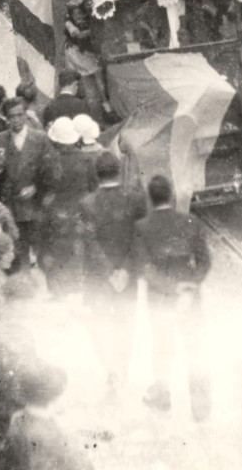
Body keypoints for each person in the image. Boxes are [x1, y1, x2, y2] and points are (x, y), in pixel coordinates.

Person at [134, 174, 212, 420]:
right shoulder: (192, 222)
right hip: (191, 299)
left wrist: (171, 288)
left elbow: (145, 269)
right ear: (172, 195)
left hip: (161, 299)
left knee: (162, 348)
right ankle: (200, 408)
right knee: (196, 350)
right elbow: (205, 262)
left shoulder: (142, 228)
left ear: (150, 198)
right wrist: (190, 285)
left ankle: (162, 396)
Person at [81, 152, 143, 392]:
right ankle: (124, 371)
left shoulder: (87, 204)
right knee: (125, 323)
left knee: (98, 324)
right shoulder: (136, 200)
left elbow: (90, 241)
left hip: (99, 278)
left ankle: (111, 372)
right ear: (119, 172)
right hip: (128, 277)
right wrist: (124, 269)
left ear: (97, 175)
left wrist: (109, 271)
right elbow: (139, 236)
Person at [0, 97, 57, 273]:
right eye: (12, 116)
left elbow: (52, 171)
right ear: (6, 118)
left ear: (26, 115)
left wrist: (36, 187)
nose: (16, 120)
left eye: (20, 115)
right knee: (18, 252)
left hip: (35, 205)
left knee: (42, 250)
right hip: (12, 206)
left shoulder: (40, 139)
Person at [41, 117, 97, 298]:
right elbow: (93, 187)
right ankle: (77, 287)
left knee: (56, 250)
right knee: (78, 249)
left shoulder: (49, 161)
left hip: (56, 214)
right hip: (80, 213)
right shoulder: (87, 160)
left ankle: (58, 291)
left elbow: (44, 188)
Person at [2, 364, 94, 470]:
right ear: (53, 397)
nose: (68, 398)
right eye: (64, 393)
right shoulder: (51, 435)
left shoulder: (18, 419)